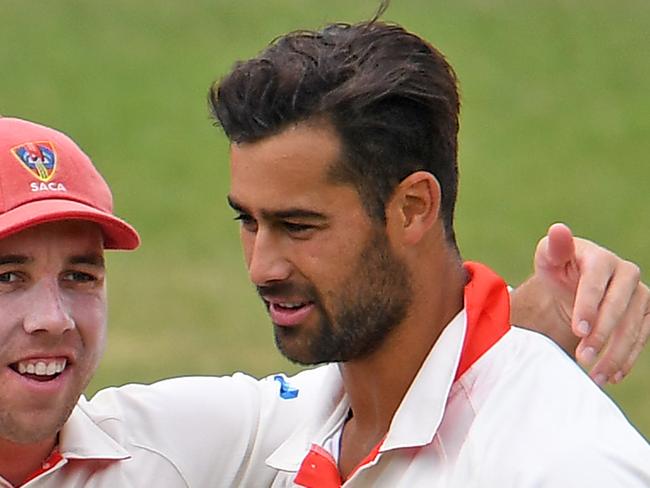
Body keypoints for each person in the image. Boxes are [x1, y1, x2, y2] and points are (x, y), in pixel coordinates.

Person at [0, 119, 645, 485]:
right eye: (8, 278)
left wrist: (525, 325)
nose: (52, 319)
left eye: (81, 276)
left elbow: (404, 379)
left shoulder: (158, 454)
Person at [208, 18, 650, 486]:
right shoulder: (270, 426)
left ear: (412, 209)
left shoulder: (566, 466)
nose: (261, 267)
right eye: (248, 221)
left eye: (297, 226)